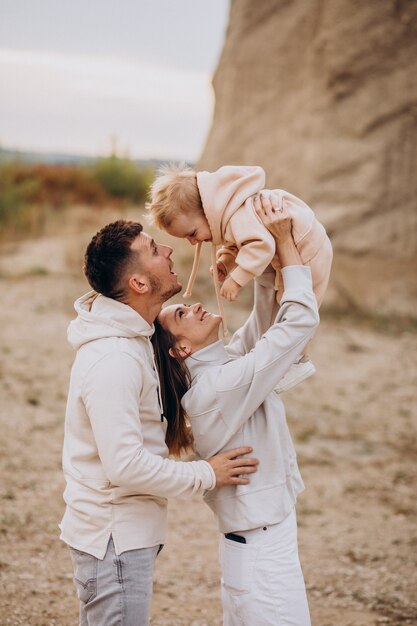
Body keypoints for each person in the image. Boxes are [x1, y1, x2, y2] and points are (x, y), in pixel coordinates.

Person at [59, 220, 259, 626]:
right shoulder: (114, 359)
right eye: (154, 250)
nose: (168, 251)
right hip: (113, 538)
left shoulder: (135, 337)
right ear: (138, 283)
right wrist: (207, 474)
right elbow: (125, 466)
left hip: (124, 536)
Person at [152, 196, 319, 626]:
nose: (196, 305)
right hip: (261, 549)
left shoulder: (218, 372)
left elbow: (261, 329)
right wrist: (286, 247)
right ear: (181, 348)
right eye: (183, 313)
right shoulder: (217, 388)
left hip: (259, 540)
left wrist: (260, 271)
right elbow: (296, 325)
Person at [147, 163, 332, 393]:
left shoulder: (238, 216)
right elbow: (239, 243)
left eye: (192, 234)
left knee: (296, 306)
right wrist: (226, 261)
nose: (194, 242)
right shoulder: (228, 214)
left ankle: (296, 359)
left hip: (307, 246)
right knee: (277, 310)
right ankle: (284, 357)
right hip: (293, 247)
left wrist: (237, 278)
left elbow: (260, 245)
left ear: (207, 210)